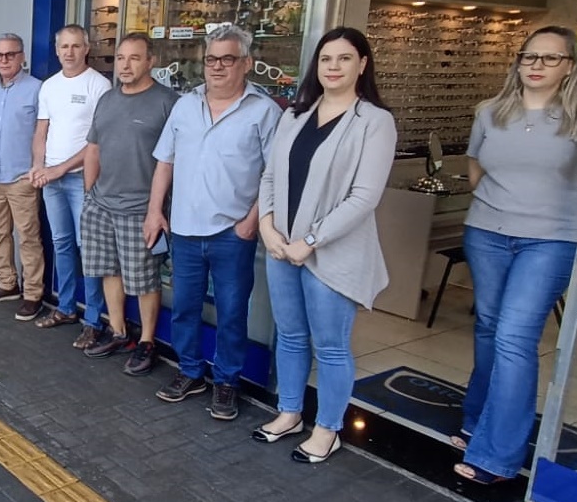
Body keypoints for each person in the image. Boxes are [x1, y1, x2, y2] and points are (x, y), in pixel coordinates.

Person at [452, 26, 577, 485]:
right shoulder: (490, 112)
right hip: (488, 233)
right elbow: (475, 171)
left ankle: (497, 456)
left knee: (516, 338)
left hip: (549, 239)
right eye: (528, 56)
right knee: (489, 329)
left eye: (549, 58)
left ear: (570, 67)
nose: (536, 65)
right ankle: (476, 421)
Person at [255, 27, 396, 464]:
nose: (333, 67)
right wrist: (267, 226)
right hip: (282, 247)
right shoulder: (295, 115)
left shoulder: (374, 121)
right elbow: (271, 177)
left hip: (330, 253)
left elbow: (365, 196)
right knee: (292, 336)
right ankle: (291, 413)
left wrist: (310, 241)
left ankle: (327, 429)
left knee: (331, 345)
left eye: (344, 59)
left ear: (363, 64)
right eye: (326, 59)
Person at [148, 24, 280, 419]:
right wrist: (156, 210)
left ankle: (226, 383)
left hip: (232, 233)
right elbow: (164, 162)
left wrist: (252, 221)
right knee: (186, 307)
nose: (218, 67)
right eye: (211, 59)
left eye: (228, 59)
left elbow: (274, 175)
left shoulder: (264, 111)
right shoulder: (185, 106)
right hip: (185, 229)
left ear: (247, 63)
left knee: (231, 312)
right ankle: (190, 372)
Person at [80, 34, 179, 377]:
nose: (125, 65)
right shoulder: (107, 99)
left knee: (144, 279)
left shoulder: (168, 102)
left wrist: (159, 208)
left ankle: (148, 342)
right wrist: (89, 194)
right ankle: (119, 331)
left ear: (150, 61)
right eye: (120, 58)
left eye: (134, 58)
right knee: (109, 270)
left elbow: (174, 161)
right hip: (102, 203)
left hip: (141, 208)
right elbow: (93, 148)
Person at [30, 25, 111, 349]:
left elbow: (99, 142)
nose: (69, 52)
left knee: (87, 250)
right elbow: (41, 131)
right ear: (56, 48)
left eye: (76, 46)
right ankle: (65, 308)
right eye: (64, 46)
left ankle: (94, 321)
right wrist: (39, 166)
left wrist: (59, 168)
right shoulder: (49, 87)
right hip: (51, 180)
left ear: (86, 48)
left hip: (81, 180)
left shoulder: (99, 85)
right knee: (62, 245)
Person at [0, 34, 46, 320]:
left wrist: (37, 169)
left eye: (10, 54)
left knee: (28, 238)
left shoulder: (37, 89)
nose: (4, 60)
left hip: (22, 178)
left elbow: (43, 135)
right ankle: (7, 284)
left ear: (22, 57)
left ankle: (33, 294)